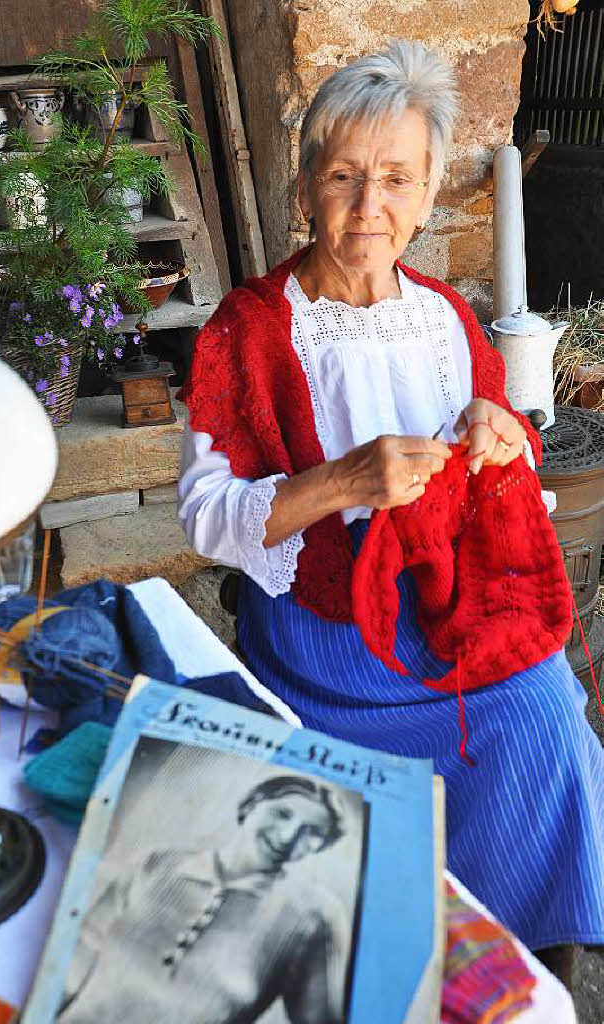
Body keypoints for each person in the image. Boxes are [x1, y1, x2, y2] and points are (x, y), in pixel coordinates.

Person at [177, 39, 604, 962]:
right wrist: (339, 484)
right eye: (343, 177)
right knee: (493, 728)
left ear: (426, 195)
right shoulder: (248, 329)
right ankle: (401, 949)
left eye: (397, 181)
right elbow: (207, 517)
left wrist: (503, 439)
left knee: (542, 713)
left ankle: (519, 960)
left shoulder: (447, 316)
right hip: (324, 627)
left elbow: (511, 469)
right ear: (305, 190)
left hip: (446, 600)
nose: (370, 207)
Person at [57, 776, 355, 1024]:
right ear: (252, 805)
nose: (287, 836)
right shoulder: (156, 863)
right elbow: (69, 969)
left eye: (313, 832)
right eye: (282, 813)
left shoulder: (313, 918)